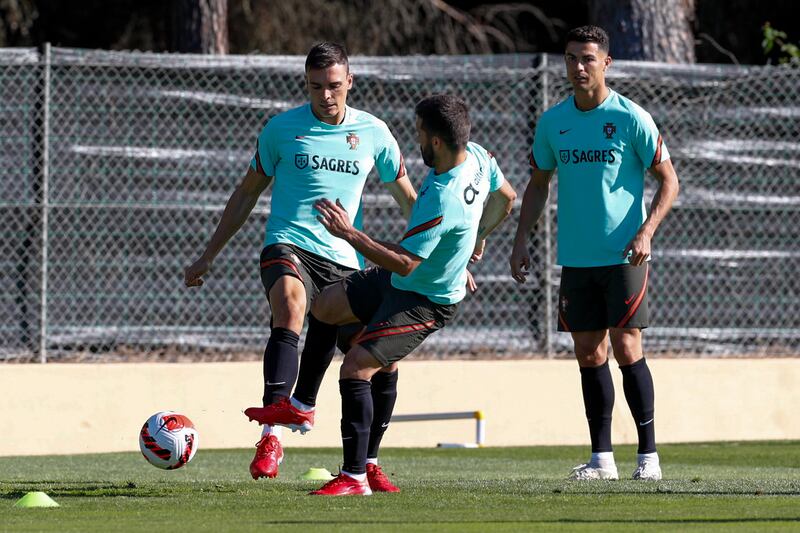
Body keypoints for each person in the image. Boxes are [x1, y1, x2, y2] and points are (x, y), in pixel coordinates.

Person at [184, 42, 416, 480]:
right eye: (315, 87)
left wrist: (443, 249)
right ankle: (271, 434)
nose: (325, 96)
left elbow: (408, 199)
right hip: (288, 246)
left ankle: (369, 463)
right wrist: (208, 253)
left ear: (350, 81)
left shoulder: (374, 133)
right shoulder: (281, 129)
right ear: (305, 84)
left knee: (382, 360)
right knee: (290, 305)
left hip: (345, 261)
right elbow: (246, 194)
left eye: (333, 86)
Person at [288, 94, 516, 496]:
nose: (417, 142)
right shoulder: (478, 156)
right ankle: (303, 406)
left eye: (419, 135)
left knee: (357, 367)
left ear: (437, 142)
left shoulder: (442, 196)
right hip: (404, 282)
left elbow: (405, 263)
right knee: (324, 305)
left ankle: (356, 475)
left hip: (426, 298)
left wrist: (350, 234)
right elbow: (507, 198)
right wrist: (475, 239)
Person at [510, 25, 679, 481]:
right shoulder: (553, 122)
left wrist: (646, 232)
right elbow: (539, 183)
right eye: (570, 58)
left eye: (587, 58)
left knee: (627, 347)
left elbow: (669, 180)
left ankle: (649, 457)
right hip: (577, 259)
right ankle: (602, 459)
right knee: (589, 352)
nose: (578, 67)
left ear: (606, 63)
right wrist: (521, 237)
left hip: (626, 256)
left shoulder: (630, 118)